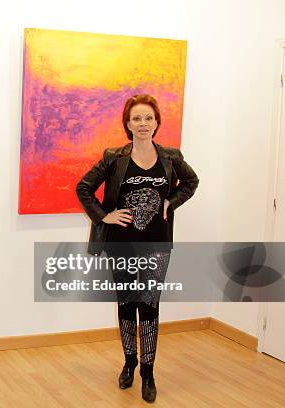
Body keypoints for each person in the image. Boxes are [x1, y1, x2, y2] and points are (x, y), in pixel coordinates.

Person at [76, 94, 199, 403]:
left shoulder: (171, 157)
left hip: (158, 245)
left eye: (148, 118)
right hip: (122, 245)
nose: (143, 124)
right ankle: (129, 363)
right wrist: (105, 216)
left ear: (157, 122)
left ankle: (148, 372)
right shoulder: (113, 157)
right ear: (127, 124)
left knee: (150, 305)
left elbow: (191, 182)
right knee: (127, 304)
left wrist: (170, 201)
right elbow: (84, 188)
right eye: (136, 119)